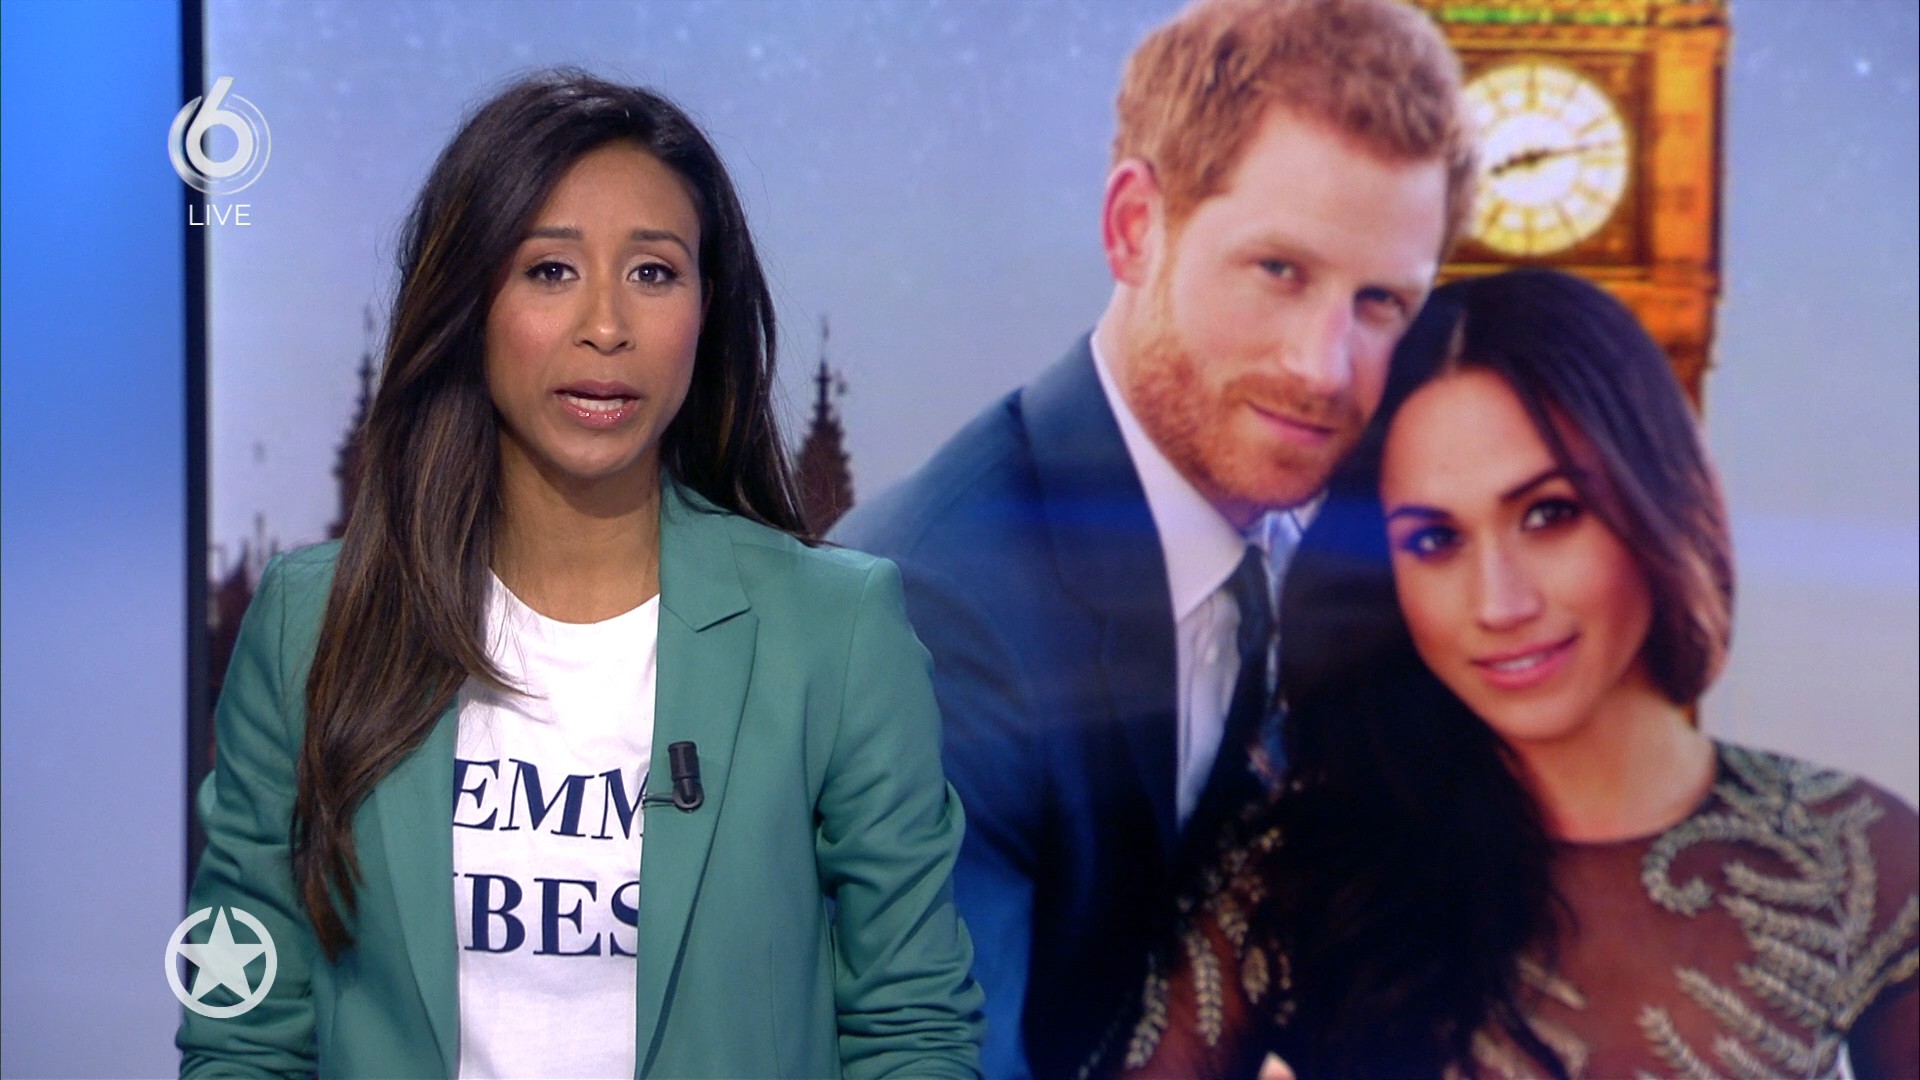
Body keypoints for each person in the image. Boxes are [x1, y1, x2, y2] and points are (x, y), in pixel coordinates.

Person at [177, 71, 984, 1079]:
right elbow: (242, 1029)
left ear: (706, 309)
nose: (606, 325)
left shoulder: (835, 631)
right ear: (469, 301)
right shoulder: (314, 623)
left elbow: (912, 1028)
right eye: (551, 270)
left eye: (653, 272)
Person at [829, 0, 1476, 1074]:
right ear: (1135, 226)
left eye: (1380, 303)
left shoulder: (1326, 549)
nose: (1324, 366)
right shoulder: (930, 619)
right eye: (1279, 271)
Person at [1104, 268, 1919, 1079]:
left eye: (1549, 514)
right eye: (1435, 541)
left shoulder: (1856, 855)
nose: (1500, 603)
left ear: (1657, 500)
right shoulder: (1293, 875)